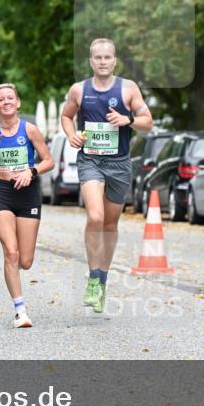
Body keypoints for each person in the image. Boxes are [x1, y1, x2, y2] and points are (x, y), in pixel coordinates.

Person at [60, 38, 153, 313]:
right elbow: (66, 116)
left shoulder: (128, 89)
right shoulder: (79, 90)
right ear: (90, 61)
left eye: (107, 57)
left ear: (115, 60)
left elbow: (148, 122)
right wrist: (71, 135)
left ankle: (102, 278)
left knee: (110, 226)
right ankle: (92, 277)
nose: (102, 62)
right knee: (96, 217)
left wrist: (129, 121)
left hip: (120, 164)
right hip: (90, 160)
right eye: (97, 57)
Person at [0, 83, 53, 328]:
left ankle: (19, 301)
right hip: (2, 194)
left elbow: (49, 161)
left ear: (18, 102)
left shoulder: (30, 130)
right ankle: (20, 310)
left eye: (10, 98)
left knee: (25, 260)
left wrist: (31, 171)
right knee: (11, 252)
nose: (6, 102)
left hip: (28, 196)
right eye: (1, 99)